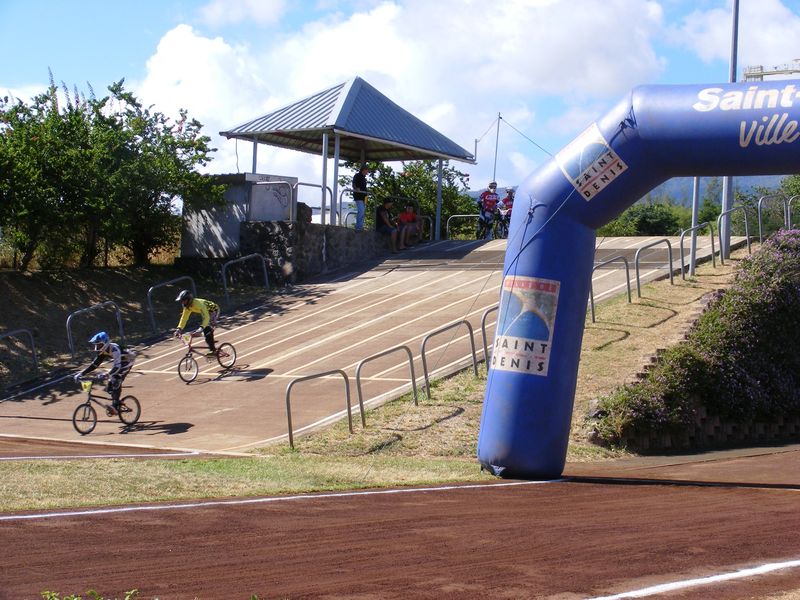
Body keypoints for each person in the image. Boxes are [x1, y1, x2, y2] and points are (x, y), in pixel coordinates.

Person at [74, 331, 136, 414]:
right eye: (96, 345)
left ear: (105, 343)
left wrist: (106, 374)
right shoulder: (103, 351)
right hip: (120, 362)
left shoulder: (114, 349)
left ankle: (114, 405)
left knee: (116, 379)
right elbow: (95, 365)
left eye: (99, 344)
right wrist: (81, 373)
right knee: (109, 387)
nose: (97, 346)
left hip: (128, 360)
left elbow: (117, 367)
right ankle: (117, 402)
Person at [174, 290, 220, 355]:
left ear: (189, 299)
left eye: (184, 300)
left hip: (213, 311)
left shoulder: (198, 304)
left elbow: (207, 317)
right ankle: (211, 342)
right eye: (182, 301)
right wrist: (179, 329)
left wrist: (201, 328)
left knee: (207, 331)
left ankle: (213, 351)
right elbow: (184, 318)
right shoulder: (187, 307)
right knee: (206, 333)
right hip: (205, 313)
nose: (183, 303)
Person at [352, 164, 370, 231]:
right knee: (361, 210)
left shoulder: (364, 178)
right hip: (358, 197)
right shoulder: (357, 175)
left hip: (364, 197)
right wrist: (356, 188)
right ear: (364, 170)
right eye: (367, 171)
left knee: (363, 211)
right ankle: (358, 227)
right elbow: (354, 184)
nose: (367, 172)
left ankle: (361, 226)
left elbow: (364, 187)